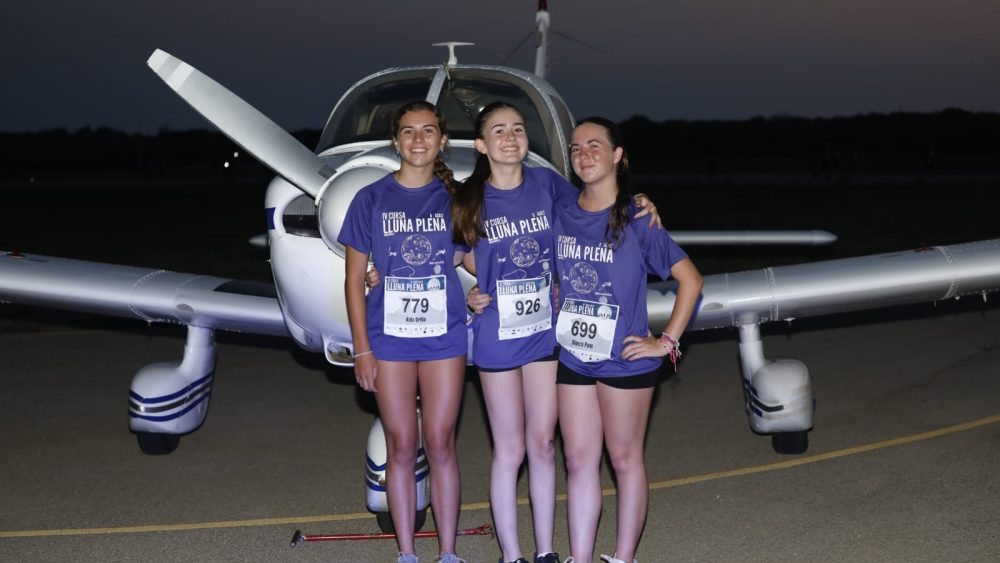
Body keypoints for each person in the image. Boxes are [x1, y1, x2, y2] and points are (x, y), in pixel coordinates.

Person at [454, 102, 662, 563]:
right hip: (496, 336)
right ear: (480, 145)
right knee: (508, 449)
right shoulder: (468, 198)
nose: (510, 138)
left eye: (518, 129)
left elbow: (596, 208)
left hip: (549, 336)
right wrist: (468, 291)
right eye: (498, 131)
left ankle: (547, 552)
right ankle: (512, 555)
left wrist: (640, 201)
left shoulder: (549, 185)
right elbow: (444, 256)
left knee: (544, 443)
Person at [554, 117, 703, 563]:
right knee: (579, 462)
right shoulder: (562, 210)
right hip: (575, 357)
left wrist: (667, 341)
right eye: (577, 147)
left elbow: (691, 281)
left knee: (623, 460)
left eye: (595, 145)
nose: (584, 154)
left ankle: (623, 558)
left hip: (625, 360)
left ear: (618, 155)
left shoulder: (638, 216)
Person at [339, 100, 469, 563]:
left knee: (440, 441)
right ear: (395, 142)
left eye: (428, 131)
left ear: (442, 140)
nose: (418, 140)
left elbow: (476, 258)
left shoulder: (456, 198)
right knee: (401, 444)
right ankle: (407, 553)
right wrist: (362, 349)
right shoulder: (370, 199)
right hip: (389, 341)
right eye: (409, 132)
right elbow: (354, 279)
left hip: (445, 338)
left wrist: (492, 284)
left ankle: (449, 552)